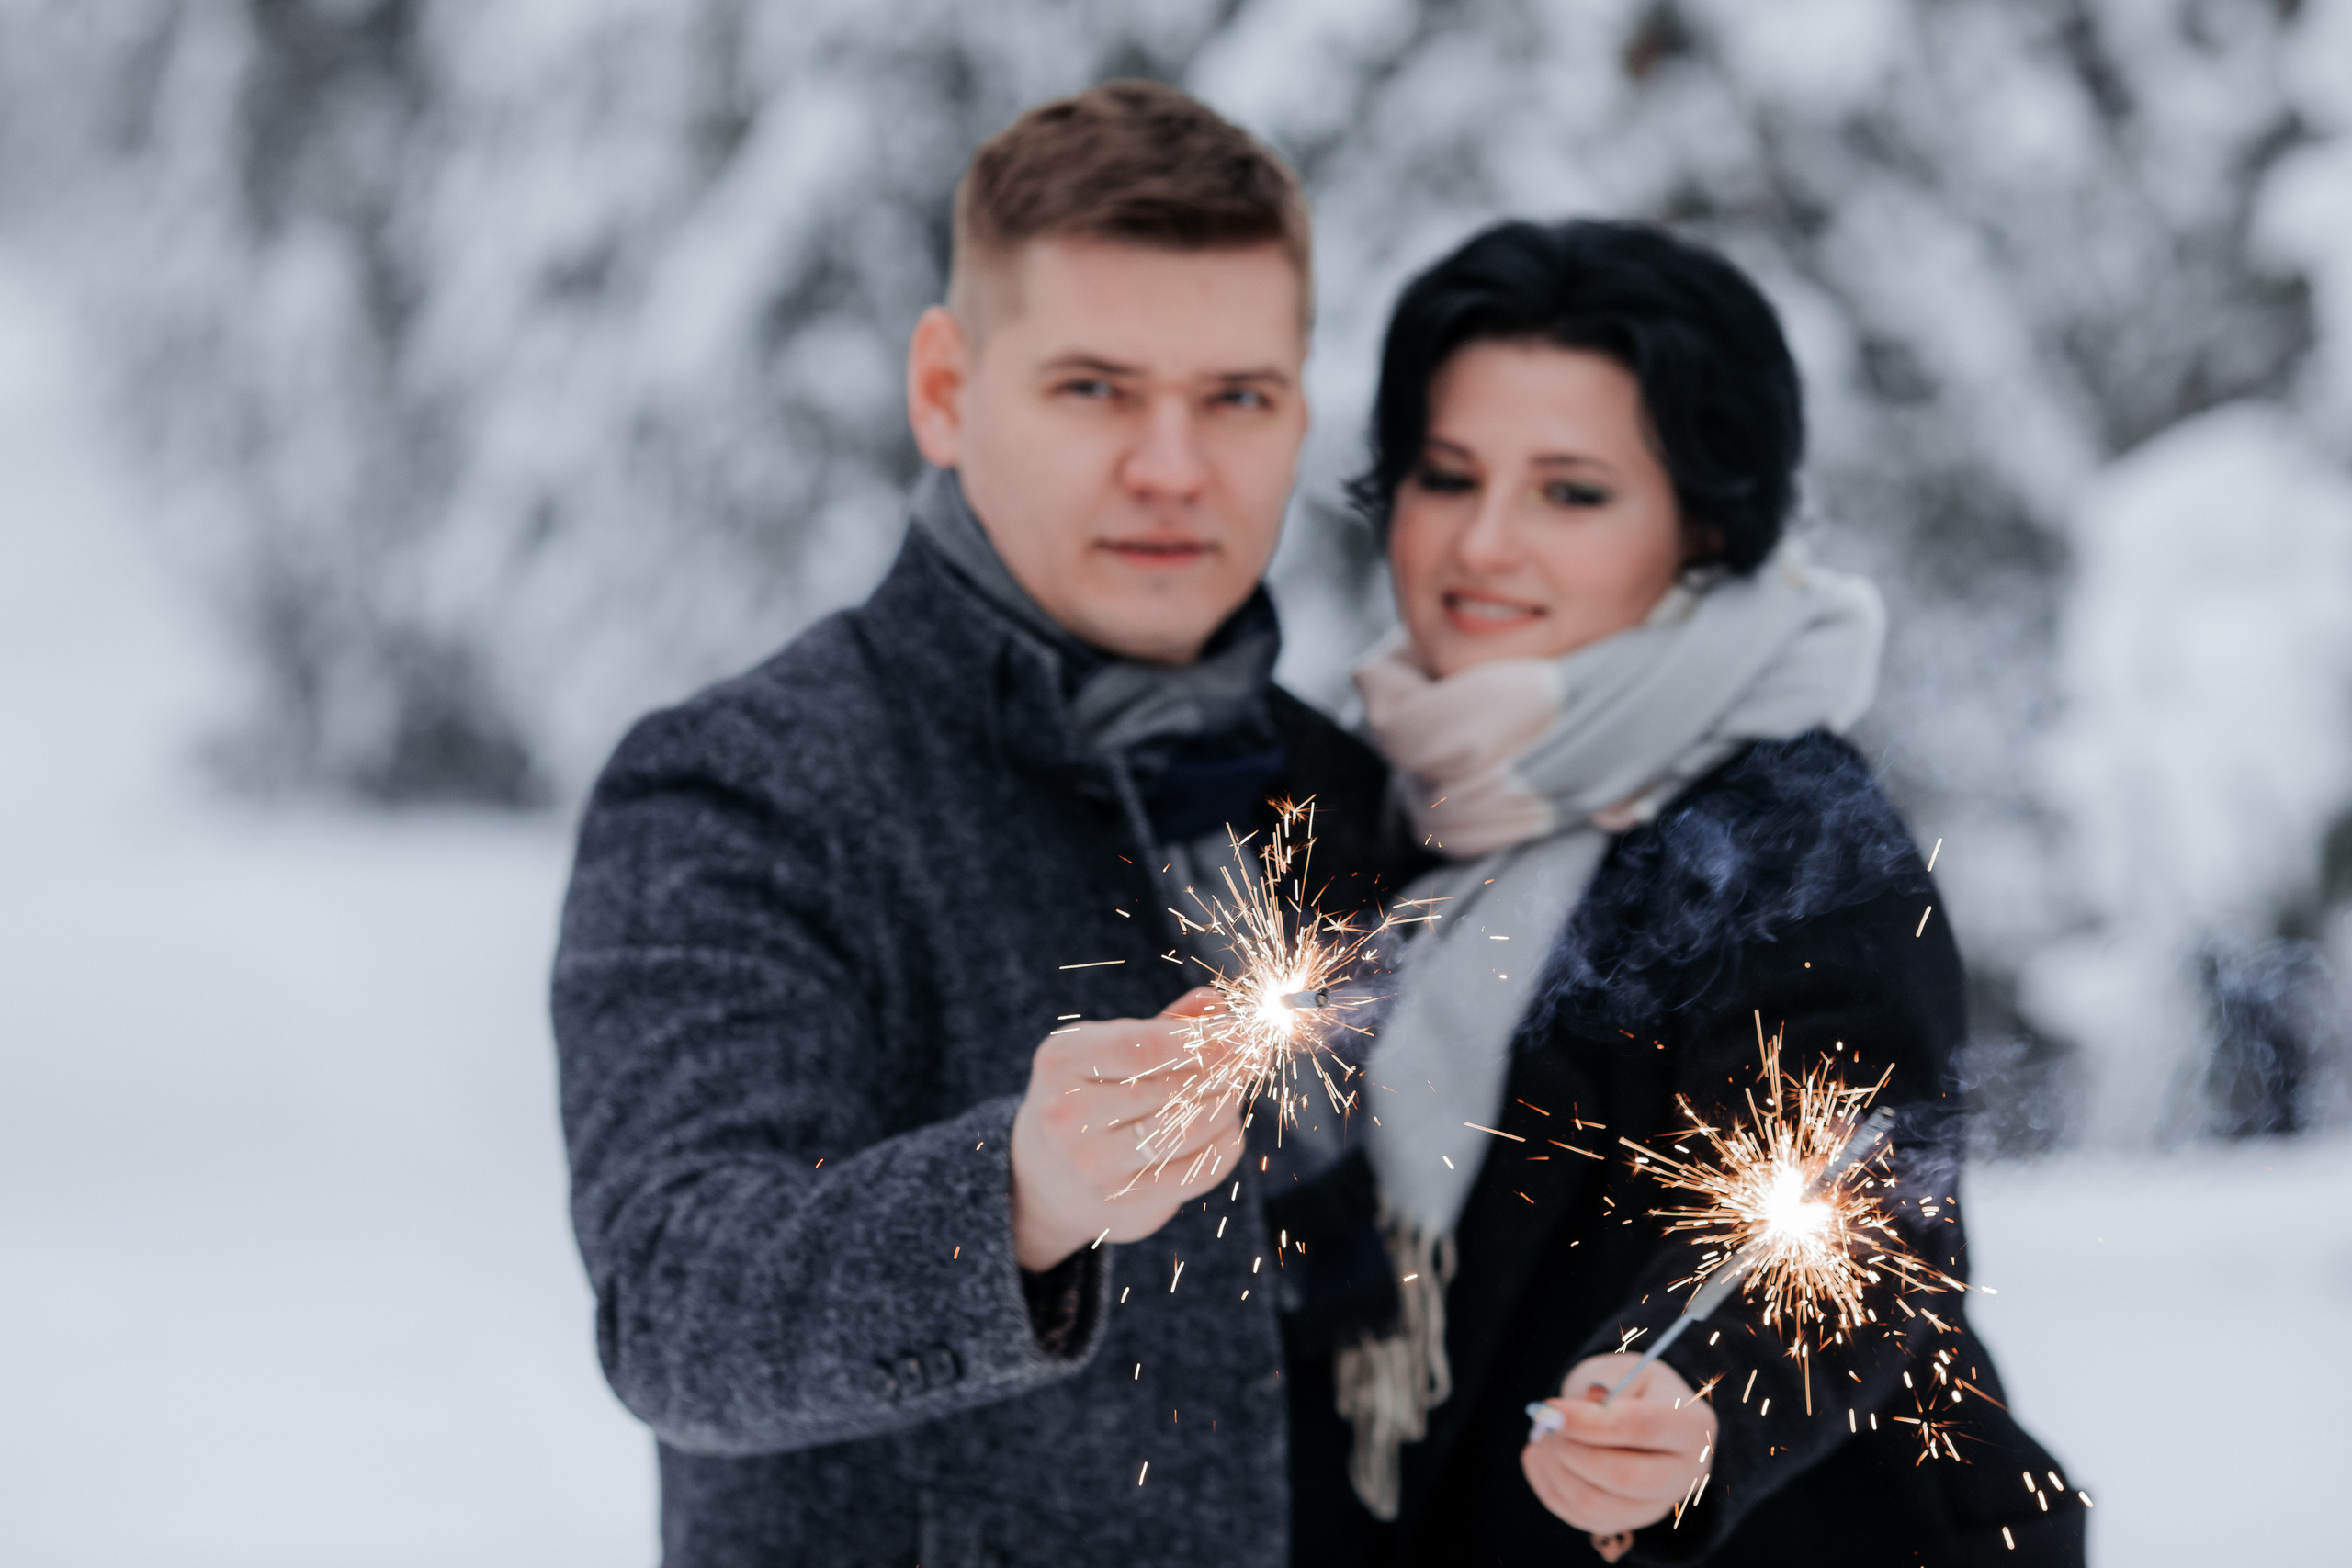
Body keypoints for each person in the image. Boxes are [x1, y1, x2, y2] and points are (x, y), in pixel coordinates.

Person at [551, 82, 1422, 1566]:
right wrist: (1018, 1194)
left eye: (1237, 396)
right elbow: (680, 1308)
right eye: (1094, 388)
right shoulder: (747, 786)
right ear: (947, 389)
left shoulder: (1350, 795)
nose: (1173, 465)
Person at [1273, 220, 2084, 1565]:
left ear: (1703, 522)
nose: (1484, 542)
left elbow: (1846, 1189)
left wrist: (1692, 1388)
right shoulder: (1374, 815)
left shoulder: (1785, 830)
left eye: (1571, 492)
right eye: (1447, 475)